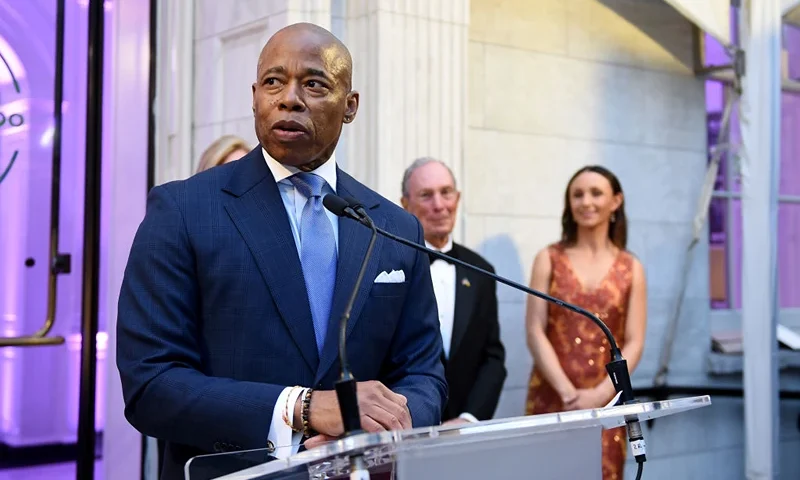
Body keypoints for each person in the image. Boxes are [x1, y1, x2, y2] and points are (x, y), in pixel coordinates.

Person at [117, 23, 446, 479]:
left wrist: (386, 428)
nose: (289, 98)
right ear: (255, 97)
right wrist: (301, 408)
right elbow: (150, 383)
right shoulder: (183, 210)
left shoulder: (393, 226)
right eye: (273, 81)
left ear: (350, 106)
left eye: (314, 84)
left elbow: (425, 374)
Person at [524, 165, 647, 480]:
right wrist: (568, 393)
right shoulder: (548, 258)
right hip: (552, 396)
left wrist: (600, 395)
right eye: (577, 194)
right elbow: (535, 330)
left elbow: (634, 341)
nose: (586, 202)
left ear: (616, 201)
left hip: (607, 403)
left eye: (596, 193)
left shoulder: (631, 267)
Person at [400, 157, 506, 425]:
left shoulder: (481, 270)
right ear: (405, 204)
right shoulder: (387, 267)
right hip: (404, 427)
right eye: (426, 195)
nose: (439, 205)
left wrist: (469, 418)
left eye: (446, 192)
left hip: (465, 430)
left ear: (457, 198)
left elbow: (492, 358)